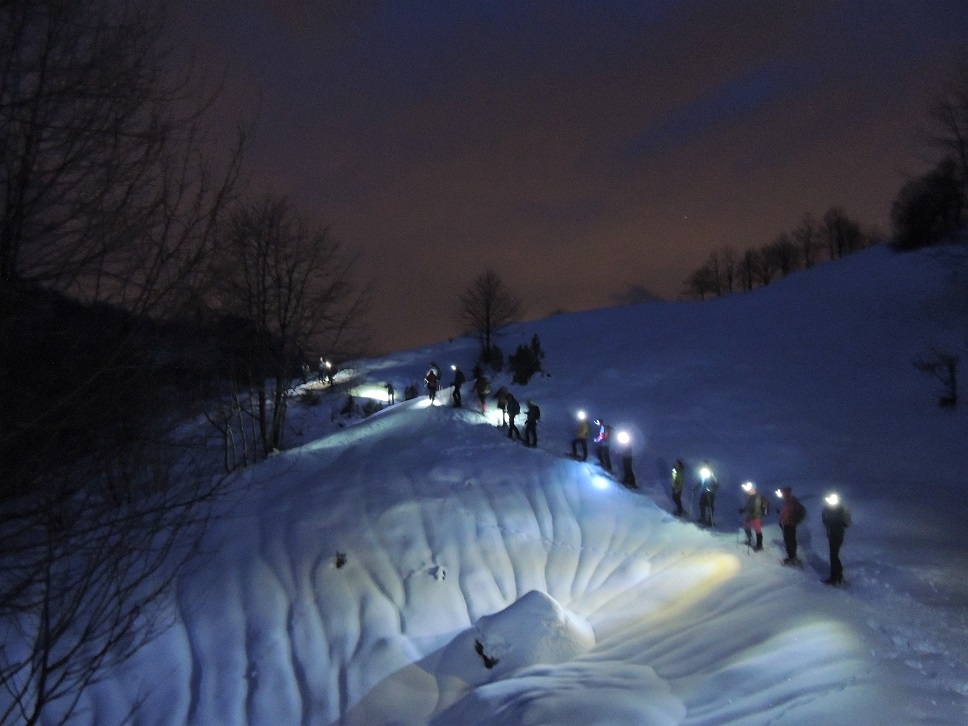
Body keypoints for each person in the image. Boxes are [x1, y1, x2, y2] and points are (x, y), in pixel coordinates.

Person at [821, 492, 851, 585]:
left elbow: (846, 522)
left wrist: (838, 525)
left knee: (834, 556)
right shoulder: (827, 510)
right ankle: (837, 575)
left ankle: (836, 576)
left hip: (837, 535)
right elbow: (824, 519)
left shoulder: (840, 509)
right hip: (832, 534)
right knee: (833, 556)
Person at [777, 486, 803, 565]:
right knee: (791, 540)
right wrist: (780, 512)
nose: (781, 494)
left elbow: (788, 514)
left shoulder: (789, 501)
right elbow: (786, 512)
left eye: (782, 492)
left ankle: (791, 558)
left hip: (789, 524)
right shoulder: (789, 501)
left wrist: (783, 522)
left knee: (789, 541)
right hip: (790, 523)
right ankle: (792, 556)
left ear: (785, 493)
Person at [738, 481, 766, 549]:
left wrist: (750, 517)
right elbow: (749, 506)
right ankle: (749, 539)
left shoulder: (757, 497)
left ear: (753, 489)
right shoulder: (751, 496)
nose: (747, 491)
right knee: (746, 527)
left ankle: (759, 545)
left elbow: (756, 509)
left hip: (756, 516)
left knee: (757, 530)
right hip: (750, 515)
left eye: (749, 489)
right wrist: (744, 510)